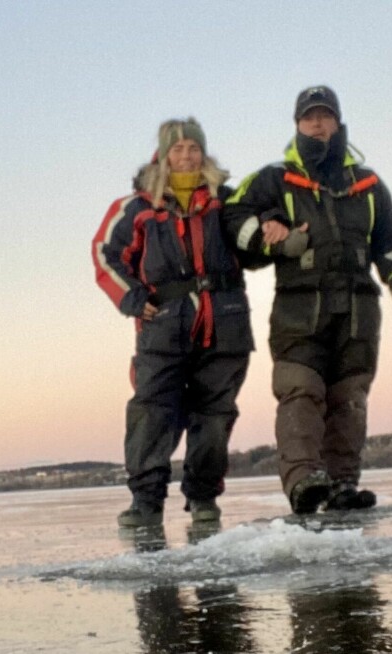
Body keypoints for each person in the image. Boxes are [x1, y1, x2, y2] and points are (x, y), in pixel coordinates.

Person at [223, 85, 392, 514]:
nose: (317, 122)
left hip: (358, 312)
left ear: (337, 122)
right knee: (301, 391)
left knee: (349, 398)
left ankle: (343, 482)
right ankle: (304, 482)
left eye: (325, 115)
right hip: (299, 310)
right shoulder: (274, 177)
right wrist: (270, 232)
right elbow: (232, 216)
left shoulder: (368, 183)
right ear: (297, 124)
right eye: (309, 116)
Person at [92, 118, 257, 528]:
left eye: (194, 149)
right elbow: (104, 255)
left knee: (215, 414)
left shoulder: (227, 200)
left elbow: (254, 236)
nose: (187, 156)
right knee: (152, 411)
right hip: (162, 325)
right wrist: (133, 297)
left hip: (225, 322)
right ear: (164, 155)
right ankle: (146, 501)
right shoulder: (136, 207)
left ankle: (203, 497)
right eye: (178, 149)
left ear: (204, 154)